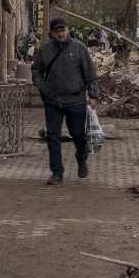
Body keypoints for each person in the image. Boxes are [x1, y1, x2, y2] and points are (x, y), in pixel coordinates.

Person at [30, 17, 100, 185]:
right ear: (51, 33)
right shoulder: (45, 50)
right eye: (57, 31)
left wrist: (92, 95)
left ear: (68, 30)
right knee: (53, 136)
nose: (61, 34)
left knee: (78, 134)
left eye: (63, 30)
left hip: (75, 99)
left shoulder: (79, 48)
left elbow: (90, 73)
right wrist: (42, 87)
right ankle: (57, 172)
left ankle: (81, 158)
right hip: (52, 100)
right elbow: (36, 70)